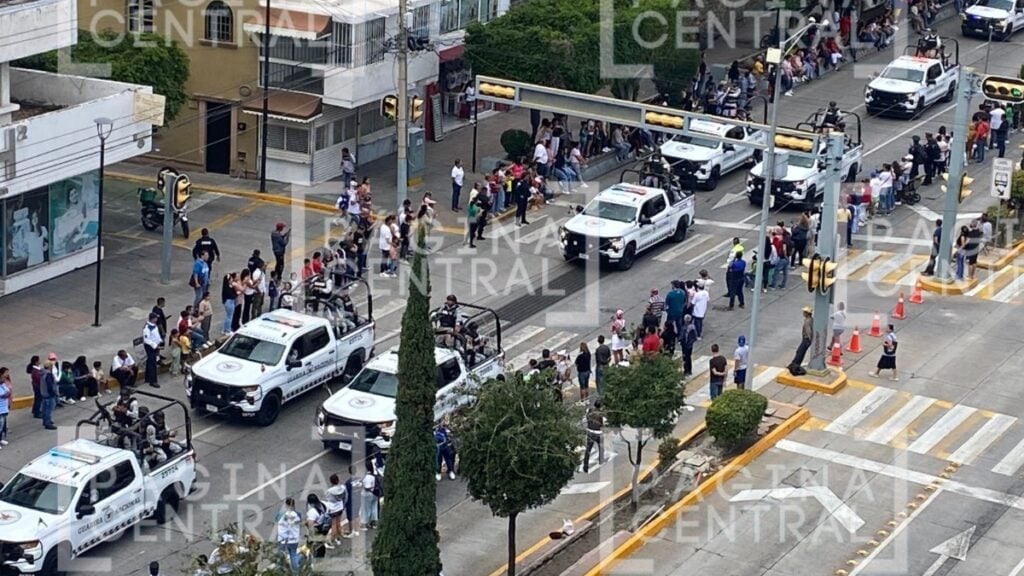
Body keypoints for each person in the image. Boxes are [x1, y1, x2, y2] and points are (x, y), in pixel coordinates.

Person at [276, 497, 302, 572]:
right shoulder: (298, 514)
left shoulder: (281, 514)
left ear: (286, 505)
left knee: (280, 556)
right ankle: (296, 572)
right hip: (294, 538)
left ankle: (279, 572)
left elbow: (276, 519)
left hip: (282, 539)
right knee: (293, 555)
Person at [324, 473, 348, 547]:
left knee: (333, 525)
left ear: (331, 482)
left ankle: (332, 540)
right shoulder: (343, 488)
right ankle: (338, 536)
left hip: (333, 509)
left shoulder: (329, 491)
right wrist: (343, 505)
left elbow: (328, 500)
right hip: (340, 507)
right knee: (338, 522)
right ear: (338, 480)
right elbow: (345, 497)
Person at [583, 401, 605, 473]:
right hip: (598, 433)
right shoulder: (601, 414)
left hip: (590, 432)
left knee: (588, 450)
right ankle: (601, 461)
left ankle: (585, 466)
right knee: (601, 448)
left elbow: (586, 417)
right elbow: (602, 424)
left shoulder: (589, 410)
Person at [142, 313, 162, 388]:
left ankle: (148, 377)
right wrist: (155, 345)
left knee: (150, 362)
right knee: (153, 363)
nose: (157, 319)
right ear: (152, 319)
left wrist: (159, 341)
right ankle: (153, 381)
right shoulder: (147, 328)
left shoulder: (154, 325)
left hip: (155, 345)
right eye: (156, 318)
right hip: (150, 347)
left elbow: (156, 335)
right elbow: (146, 340)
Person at [40, 360, 58, 430]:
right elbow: (50, 386)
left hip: (43, 393)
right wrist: (54, 393)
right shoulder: (48, 375)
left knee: (44, 409)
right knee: (49, 409)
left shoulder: (42, 373)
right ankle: (48, 423)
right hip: (49, 394)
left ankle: (45, 421)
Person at [0, 368, 11, 448]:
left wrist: (7, 394)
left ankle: (0, 439)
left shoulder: (3, 385)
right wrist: (6, 394)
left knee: (2, 424)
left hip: (4, 407)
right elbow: (3, 394)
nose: (4, 379)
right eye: (2, 378)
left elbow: (8, 392)